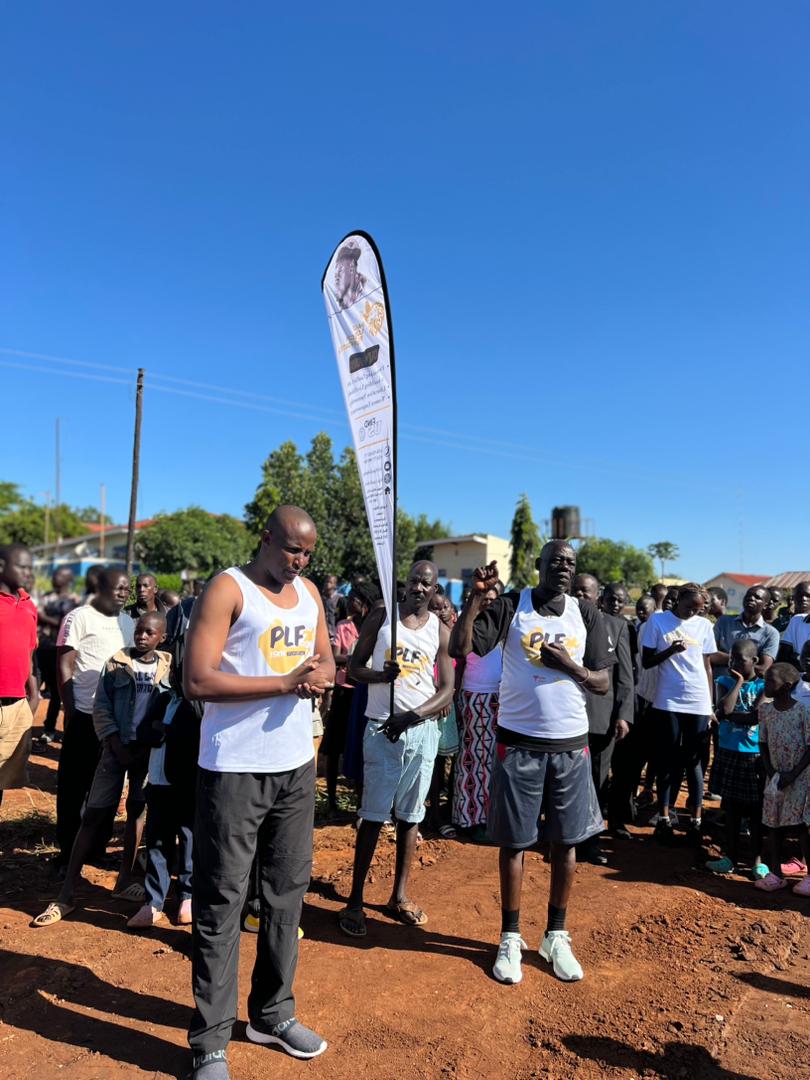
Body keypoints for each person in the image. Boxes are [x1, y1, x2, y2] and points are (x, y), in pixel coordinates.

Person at [183, 505, 334, 1076]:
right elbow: (196, 679)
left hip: (295, 766)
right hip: (233, 769)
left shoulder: (310, 593)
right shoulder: (228, 588)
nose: (300, 562)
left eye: (308, 554)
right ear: (267, 538)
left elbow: (326, 660)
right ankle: (210, 1041)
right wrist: (285, 683)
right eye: (293, 550)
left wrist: (321, 676)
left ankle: (271, 1014)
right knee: (222, 902)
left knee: (286, 895)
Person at [451, 542, 613, 986]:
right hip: (518, 743)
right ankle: (510, 937)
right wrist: (475, 598)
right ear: (539, 566)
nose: (563, 567)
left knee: (566, 842)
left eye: (570, 562)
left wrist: (570, 667)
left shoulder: (586, 613)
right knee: (514, 843)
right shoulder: (512, 606)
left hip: (570, 745)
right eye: (555, 561)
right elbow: (460, 647)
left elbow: (602, 681)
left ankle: (556, 935)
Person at [32, 612, 173, 926]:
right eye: (139, 631)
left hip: (146, 753)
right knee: (94, 813)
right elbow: (102, 708)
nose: (141, 637)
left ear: (162, 637)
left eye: (149, 633)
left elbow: (168, 709)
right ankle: (66, 893)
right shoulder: (116, 663)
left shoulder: (168, 666)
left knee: (137, 812)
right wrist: (115, 744)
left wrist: (150, 742)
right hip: (115, 751)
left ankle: (123, 880)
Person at [338, 560, 454, 938]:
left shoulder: (440, 630)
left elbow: (447, 690)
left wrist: (414, 716)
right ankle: (355, 901)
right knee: (373, 816)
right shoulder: (382, 617)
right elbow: (354, 667)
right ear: (405, 583)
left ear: (434, 590)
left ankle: (398, 896)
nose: (419, 588)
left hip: (421, 732)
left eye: (427, 584)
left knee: (411, 816)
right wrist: (378, 675)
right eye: (414, 581)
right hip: (382, 728)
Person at [54, 569, 134, 867]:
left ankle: (97, 849)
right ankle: (67, 852)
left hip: (116, 721)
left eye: (127, 588)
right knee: (74, 787)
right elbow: (64, 664)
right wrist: (71, 709)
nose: (124, 593)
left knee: (108, 788)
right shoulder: (79, 617)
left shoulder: (128, 622)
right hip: (85, 716)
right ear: (101, 587)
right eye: (118, 587)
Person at [642, 583, 716, 845]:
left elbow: (707, 666)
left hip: (698, 700)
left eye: (698, 609)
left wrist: (710, 705)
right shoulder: (658, 621)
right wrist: (671, 650)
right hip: (668, 700)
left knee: (694, 761)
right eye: (688, 607)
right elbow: (646, 661)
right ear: (678, 599)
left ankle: (696, 820)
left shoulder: (704, 625)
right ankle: (664, 818)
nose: (692, 613)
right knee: (667, 759)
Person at [569, 576, 634, 862]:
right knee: (565, 780)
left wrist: (623, 715)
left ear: (597, 596)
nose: (580, 594)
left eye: (586, 591)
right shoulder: (558, 621)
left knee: (596, 780)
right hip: (563, 716)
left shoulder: (616, 626)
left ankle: (590, 842)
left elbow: (625, 677)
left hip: (601, 718)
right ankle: (562, 840)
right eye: (576, 590)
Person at [705, 640, 767, 879]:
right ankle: (729, 857)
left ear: (755, 661)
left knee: (755, 812)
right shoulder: (724, 681)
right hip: (729, 751)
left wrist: (731, 716)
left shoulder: (764, 685)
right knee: (731, 809)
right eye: (731, 658)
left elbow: (756, 716)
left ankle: (757, 862)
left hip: (754, 755)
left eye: (740, 659)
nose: (734, 663)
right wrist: (739, 682)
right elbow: (725, 709)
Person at [449, 577, 503, 839]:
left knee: (494, 763)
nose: (488, 604)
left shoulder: (505, 624)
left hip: (503, 699)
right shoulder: (467, 623)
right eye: (485, 599)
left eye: (494, 600)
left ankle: (492, 818)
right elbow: (458, 659)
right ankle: (471, 820)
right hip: (475, 697)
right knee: (474, 762)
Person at [322, 582, 379, 819]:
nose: (349, 601)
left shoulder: (375, 625)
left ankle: (360, 804)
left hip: (363, 693)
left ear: (364, 602)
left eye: (354, 597)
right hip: (344, 691)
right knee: (334, 747)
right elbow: (334, 657)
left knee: (359, 747)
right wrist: (356, 660)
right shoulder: (343, 626)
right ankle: (331, 802)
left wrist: (355, 661)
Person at [755, 663, 810, 895]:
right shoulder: (766, 710)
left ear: (786, 686)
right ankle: (776, 874)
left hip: (800, 779)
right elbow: (762, 743)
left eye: (770, 681)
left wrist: (793, 774)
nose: (765, 684)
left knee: (801, 826)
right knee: (774, 824)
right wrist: (771, 772)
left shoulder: (803, 712)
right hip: (776, 779)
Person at [0, 543, 39, 811]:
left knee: (2, 780)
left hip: (16, 706)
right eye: (22, 567)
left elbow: (29, 651)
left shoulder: (29, 606)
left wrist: (33, 695)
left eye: (30, 567)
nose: (28, 572)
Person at [36, 567, 79, 744]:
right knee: (35, 688)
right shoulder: (47, 597)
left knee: (57, 693)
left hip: (58, 651)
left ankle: (50, 728)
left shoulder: (74, 601)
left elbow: (65, 623)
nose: (54, 578)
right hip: (41, 649)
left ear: (69, 580)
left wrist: (43, 617)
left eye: (59, 576)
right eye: (54, 575)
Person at [713, 586, 779, 678]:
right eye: (748, 595)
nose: (751, 598)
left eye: (757, 597)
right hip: (720, 681)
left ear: (766, 605)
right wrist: (744, 661)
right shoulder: (723, 621)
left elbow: (763, 668)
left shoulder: (771, 633)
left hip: (749, 685)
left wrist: (727, 659)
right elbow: (711, 654)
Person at [780, 581, 810, 666]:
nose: (804, 599)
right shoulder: (797, 620)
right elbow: (785, 654)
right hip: (798, 672)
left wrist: (798, 657)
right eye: (800, 595)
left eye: (808, 595)